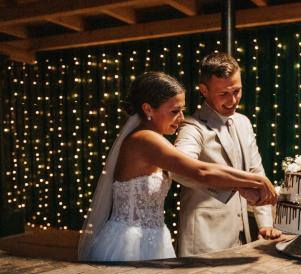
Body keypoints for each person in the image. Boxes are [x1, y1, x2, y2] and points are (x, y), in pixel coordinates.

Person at [78, 72, 277, 262]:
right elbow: (200, 171)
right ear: (148, 109)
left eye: (182, 110)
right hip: (129, 243)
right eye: (174, 111)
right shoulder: (145, 139)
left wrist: (242, 187)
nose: (181, 118)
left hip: (153, 239)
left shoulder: (153, 138)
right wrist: (256, 181)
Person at [174, 52, 281, 257]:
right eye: (223, 94)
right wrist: (236, 185)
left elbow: (256, 171)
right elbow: (178, 170)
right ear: (204, 90)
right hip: (205, 241)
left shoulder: (244, 122)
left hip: (245, 238)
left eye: (237, 91)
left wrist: (266, 223)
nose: (232, 100)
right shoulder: (191, 126)